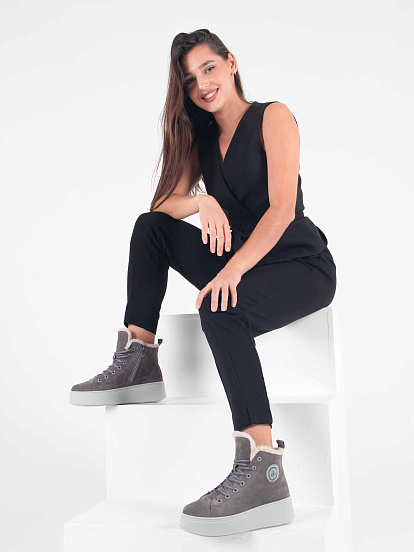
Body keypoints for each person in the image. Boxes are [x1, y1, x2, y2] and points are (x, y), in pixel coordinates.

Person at [69, 29, 336, 537]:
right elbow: (162, 205)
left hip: (300, 264)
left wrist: (232, 271)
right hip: (241, 259)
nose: (201, 85)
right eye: (190, 80)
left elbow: (282, 210)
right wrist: (201, 201)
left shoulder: (273, 116)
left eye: (208, 68)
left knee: (219, 306)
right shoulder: (204, 140)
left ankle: (263, 466)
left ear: (231, 63)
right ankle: (138, 358)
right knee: (150, 228)